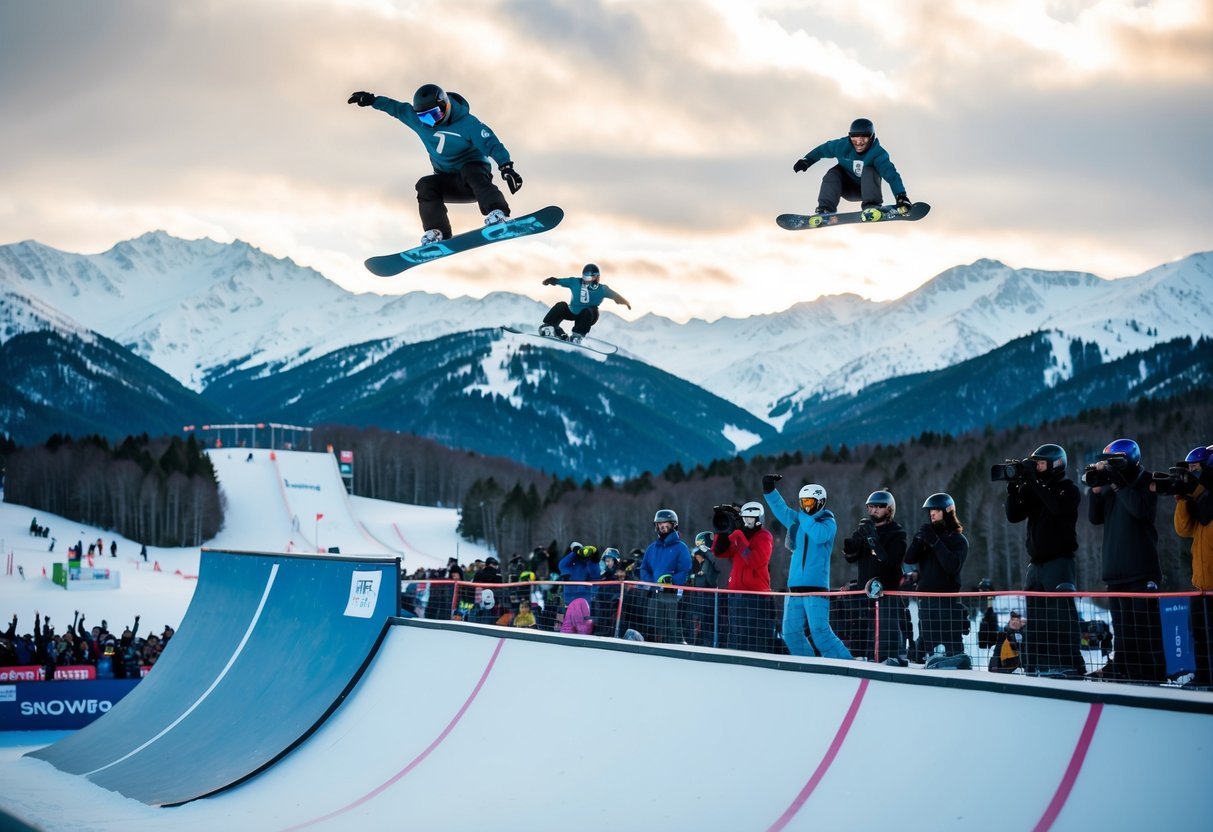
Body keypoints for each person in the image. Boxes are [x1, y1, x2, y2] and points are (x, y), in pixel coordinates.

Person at [347, 83, 522, 245]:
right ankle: (437, 232)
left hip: (475, 182)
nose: (431, 122)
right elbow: (397, 109)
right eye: (424, 117)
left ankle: (498, 214)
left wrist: (506, 167)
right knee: (425, 185)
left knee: (470, 170)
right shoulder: (419, 121)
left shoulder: (467, 123)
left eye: (434, 115)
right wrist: (372, 100)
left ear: (445, 106)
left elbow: (491, 144)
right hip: (450, 182)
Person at [1087, 438, 1165, 682]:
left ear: (1129, 459)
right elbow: (1094, 518)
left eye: (1115, 461)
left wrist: (1117, 484)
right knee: (1121, 630)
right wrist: (1096, 491)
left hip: (1141, 570)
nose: (1111, 466)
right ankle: (1123, 668)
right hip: (1115, 572)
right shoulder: (1111, 485)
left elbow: (1139, 510)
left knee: (1142, 629)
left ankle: (1149, 673)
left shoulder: (1146, 480)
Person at [1004, 444, 1086, 676]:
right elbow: (1013, 515)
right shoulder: (1035, 490)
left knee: (1060, 616)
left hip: (1059, 563)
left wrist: (1034, 482)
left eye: (1040, 463)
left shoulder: (1067, 489)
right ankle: (1036, 662)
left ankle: (1068, 662)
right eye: (1035, 463)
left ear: (1055, 464)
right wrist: (1014, 489)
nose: (1036, 467)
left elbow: (1056, 508)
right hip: (1036, 564)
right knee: (1037, 617)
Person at [761, 475, 853, 660]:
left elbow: (818, 536)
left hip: (816, 588)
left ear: (820, 503)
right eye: (803, 502)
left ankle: (847, 663)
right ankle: (808, 665)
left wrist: (802, 516)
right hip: (794, 587)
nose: (806, 506)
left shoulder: (828, 522)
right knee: (790, 633)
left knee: (820, 633)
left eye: (810, 502)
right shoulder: (800, 520)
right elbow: (782, 511)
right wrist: (769, 490)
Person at [792, 118, 911, 216]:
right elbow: (822, 150)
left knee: (870, 170)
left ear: (872, 137)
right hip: (846, 189)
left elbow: (891, 174)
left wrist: (901, 196)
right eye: (854, 138)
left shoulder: (878, 153)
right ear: (850, 137)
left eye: (864, 138)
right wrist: (807, 160)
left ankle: (871, 206)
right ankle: (825, 209)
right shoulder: (841, 146)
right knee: (833, 173)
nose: (859, 143)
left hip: (867, 191)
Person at [904, 493, 970, 666]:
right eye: (930, 510)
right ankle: (920, 666)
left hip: (947, 601)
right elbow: (909, 558)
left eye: (936, 510)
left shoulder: (958, 540)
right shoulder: (927, 537)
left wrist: (935, 541)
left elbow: (951, 565)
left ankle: (958, 672)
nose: (931, 513)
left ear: (947, 511)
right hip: (926, 601)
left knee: (951, 644)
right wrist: (919, 540)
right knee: (926, 643)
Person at [841, 489, 906, 662]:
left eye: (879, 506)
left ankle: (889, 660)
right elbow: (851, 557)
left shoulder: (897, 533)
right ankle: (865, 660)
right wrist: (850, 546)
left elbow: (891, 561)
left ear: (889, 509)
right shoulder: (865, 529)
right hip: (864, 593)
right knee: (864, 635)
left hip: (887, 592)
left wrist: (872, 540)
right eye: (871, 506)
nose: (874, 510)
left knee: (885, 635)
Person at [1173, 444, 1213, 687]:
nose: (1193, 474)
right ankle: (1204, 676)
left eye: (1196, 469)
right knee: (1199, 635)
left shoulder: (1207, 498)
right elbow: (1183, 529)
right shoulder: (1199, 499)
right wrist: (1181, 498)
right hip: (1200, 583)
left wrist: (1196, 491)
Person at [712, 501, 773, 653]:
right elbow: (719, 552)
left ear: (759, 519)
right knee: (736, 633)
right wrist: (723, 530)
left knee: (752, 635)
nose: (746, 521)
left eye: (750, 518)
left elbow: (754, 561)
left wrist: (738, 535)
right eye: (744, 518)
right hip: (736, 593)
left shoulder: (764, 536)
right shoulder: (740, 537)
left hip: (755, 595)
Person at [539, 264, 632, 345]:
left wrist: (625, 302)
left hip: (588, 316)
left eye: (589, 278)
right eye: (585, 277)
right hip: (572, 311)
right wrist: (551, 280)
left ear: (596, 278)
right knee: (561, 305)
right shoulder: (575, 282)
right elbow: (559, 281)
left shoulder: (603, 289)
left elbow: (615, 296)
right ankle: (550, 327)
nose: (586, 281)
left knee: (589, 310)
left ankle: (577, 335)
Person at [639, 509, 692, 644]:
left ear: (674, 525)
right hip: (655, 594)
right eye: (660, 524)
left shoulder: (681, 547)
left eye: (666, 524)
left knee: (673, 628)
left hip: (673, 596)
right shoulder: (652, 548)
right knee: (653, 626)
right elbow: (644, 569)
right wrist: (652, 583)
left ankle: (677, 650)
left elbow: (686, 570)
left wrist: (672, 581)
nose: (663, 527)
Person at [685, 531, 723, 646]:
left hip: (710, 596)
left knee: (709, 624)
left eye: (701, 544)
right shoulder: (699, 558)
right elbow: (693, 572)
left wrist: (709, 553)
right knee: (699, 624)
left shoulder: (714, 556)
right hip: (699, 596)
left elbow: (717, 569)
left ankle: (710, 645)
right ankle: (699, 644)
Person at [558, 542, 600, 609]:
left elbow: (596, 575)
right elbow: (562, 565)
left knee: (583, 617)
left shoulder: (589, 564)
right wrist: (574, 553)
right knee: (569, 617)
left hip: (585, 598)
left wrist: (594, 560)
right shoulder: (569, 566)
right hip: (569, 596)